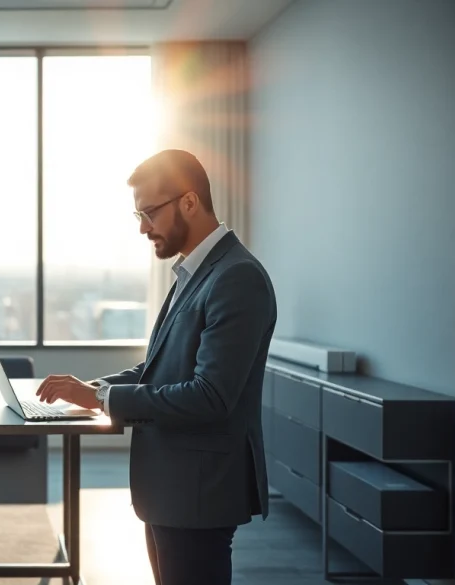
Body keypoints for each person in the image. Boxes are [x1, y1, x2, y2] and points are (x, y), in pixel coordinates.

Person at [35, 149, 277, 585]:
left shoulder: (236, 277)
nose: (143, 228)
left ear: (188, 202)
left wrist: (104, 399)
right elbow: (163, 367)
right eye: (138, 215)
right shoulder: (197, 272)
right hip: (172, 490)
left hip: (198, 493)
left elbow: (210, 395)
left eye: (149, 212)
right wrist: (93, 388)